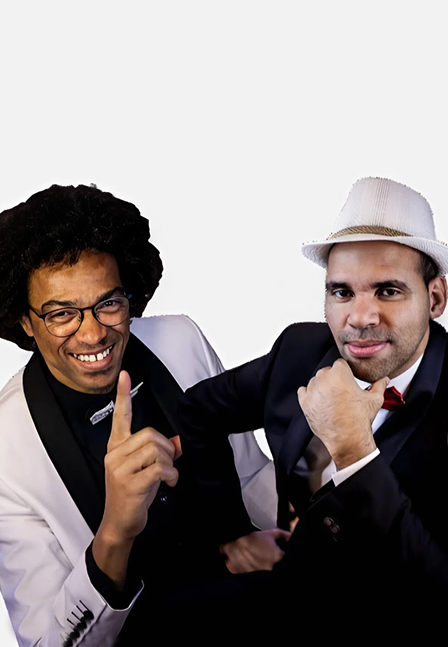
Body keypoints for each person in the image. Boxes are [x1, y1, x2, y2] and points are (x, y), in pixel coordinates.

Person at [0, 184, 278, 646]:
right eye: (62, 314)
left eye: (109, 303)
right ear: (26, 322)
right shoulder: (7, 448)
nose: (93, 334)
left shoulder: (181, 341)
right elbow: (50, 641)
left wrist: (293, 531)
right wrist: (115, 531)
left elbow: (250, 476)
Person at [177, 177, 448, 635]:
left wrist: (355, 452)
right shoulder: (299, 351)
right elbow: (199, 411)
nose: (359, 318)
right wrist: (232, 532)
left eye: (388, 291)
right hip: (286, 589)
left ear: (435, 298)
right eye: (342, 292)